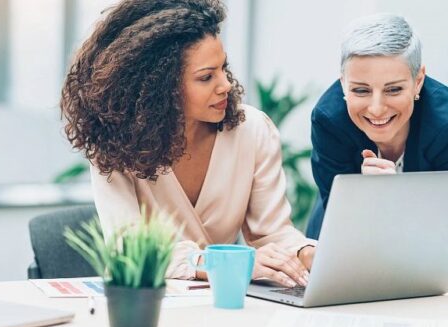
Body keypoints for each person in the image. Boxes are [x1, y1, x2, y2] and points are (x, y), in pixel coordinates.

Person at [61, 0, 316, 287]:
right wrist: (226, 263)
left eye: (223, 68)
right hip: (148, 309)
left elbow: (272, 234)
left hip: (226, 306)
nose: (226, 85)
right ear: (159, 87)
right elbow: (129, 249)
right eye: (206, 77)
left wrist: (307, 253)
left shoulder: (252, 130)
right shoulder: (116, 146)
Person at [309, 14, 448, 239]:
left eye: (393, 90)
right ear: (343, 82)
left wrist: (393, 197)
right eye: (361, 90)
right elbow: (340, 220)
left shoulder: (444, 125)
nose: (376, 109)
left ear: (418, 80)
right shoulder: (329, 121)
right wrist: (367, 198)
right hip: (344, 239)